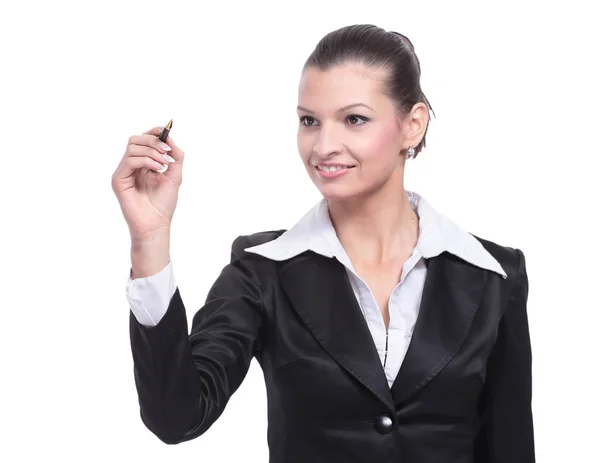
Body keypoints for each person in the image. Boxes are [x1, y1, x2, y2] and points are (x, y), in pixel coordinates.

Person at [111, 24, 535, 462]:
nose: (324, 145)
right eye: (309, 121)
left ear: (412, 125)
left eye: (354, 119)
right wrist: (149, 240)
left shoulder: (493, 275)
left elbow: (511, 447)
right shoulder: (261, 272)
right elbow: (176, 417)